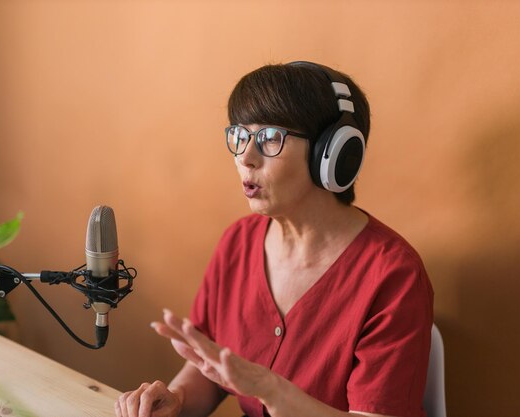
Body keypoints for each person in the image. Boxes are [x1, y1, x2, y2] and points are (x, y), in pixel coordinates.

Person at [114, 61, 434, 417]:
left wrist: (271, 389)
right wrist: (177, 400)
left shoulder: (393, 275)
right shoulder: (238, 242)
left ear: (331, 155)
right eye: (240, 135)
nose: (245, 158)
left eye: (269, 138)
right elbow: (212, 368)